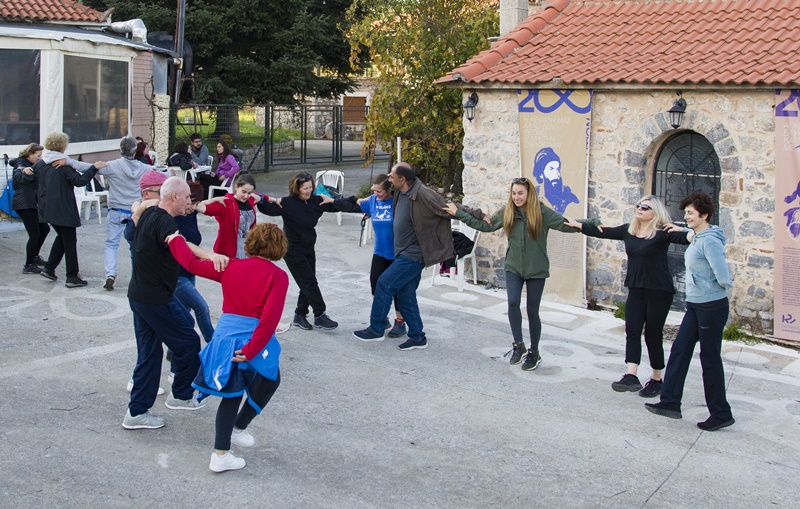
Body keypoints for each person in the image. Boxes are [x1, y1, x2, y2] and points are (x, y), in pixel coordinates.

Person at [167, 222, 289, 472]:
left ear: (251, 242)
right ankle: (225, 447)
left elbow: (191, 265)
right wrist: (252, 349)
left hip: (224, 337)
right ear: (279, 248)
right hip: (251, 339)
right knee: (269, 379)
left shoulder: (231, 265)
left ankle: (230, 439)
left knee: (232, 394)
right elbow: (270, 318)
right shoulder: (278, 276)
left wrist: (174, 240)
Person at [445, 177, 587, 369]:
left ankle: (534, 352)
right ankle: (518, 345)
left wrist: (591, 225)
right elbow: (484, 226)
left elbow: (566, 225)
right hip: (514, 267)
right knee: (512, 302)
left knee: (532, 311)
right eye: (513, 193)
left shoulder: (542, 213)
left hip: (536, 269)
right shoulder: (508, 212)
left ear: (529, 194)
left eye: (520, 193)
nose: (516, 197)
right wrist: (459, 213)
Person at [122, 177, 227, 430]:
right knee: (189, 341)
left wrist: (209, 255)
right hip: (155, 299)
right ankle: (180, 395)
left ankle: (136, 413)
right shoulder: (165, 222)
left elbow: (182, 241)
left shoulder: (153, 215)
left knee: (150, 352)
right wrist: (203, 265)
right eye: (187, 198)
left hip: (140, 296)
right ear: (174, 197)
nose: (189, 203)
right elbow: (177, 244)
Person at [565, 196, 692, 397]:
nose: (640, 209)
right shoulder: (629, 230)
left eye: (645, 207)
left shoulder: (663, 232)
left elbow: (689, 239)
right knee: (632, 330)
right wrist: (579, 225)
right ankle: (631, 376)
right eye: (638, 206)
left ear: (655, 212)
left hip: (659, 291)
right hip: (636, 288)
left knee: (652, 333)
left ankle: (657, 379)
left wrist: (687, 231)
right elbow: (604, 232)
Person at [645, 192, 735, 432]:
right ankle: (670, 402)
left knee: (709, 359)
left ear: (704, 215)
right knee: (680, 349)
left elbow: (723, 276)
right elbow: (690, 234)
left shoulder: (710, 241)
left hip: (711, 306)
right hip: (696, 305)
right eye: (685, 213)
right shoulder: (698, 236)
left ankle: (721, 413)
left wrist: (708, 286)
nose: (687, 217)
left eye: (691, 214)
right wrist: (682, 229)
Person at [353, 162, 453, 350]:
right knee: (406, 295)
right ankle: (417, 336)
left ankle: (376, 328)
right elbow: (379, 193)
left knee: (384, 283)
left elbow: (448, 207)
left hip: (414, 254)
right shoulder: (401, 192)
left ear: (402, 179)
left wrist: (479, 216)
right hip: (403, 252)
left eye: (392, 177)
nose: (389, 180)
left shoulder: (422, 193)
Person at [257, 171, 361, 331]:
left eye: (310, 188)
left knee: (307, 281)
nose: (308, 191)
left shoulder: (316, 201)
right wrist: (260, 198)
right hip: (292, 249)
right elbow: (266, 208)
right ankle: (320, 315)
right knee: (309, 282)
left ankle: (300, 314)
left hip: (308, 246)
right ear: (296, 188)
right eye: (305, 188)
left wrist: (360, 204)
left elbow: (338, 204)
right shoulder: (287, 203)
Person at [35, 132, 106, 287]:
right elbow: (80, 181)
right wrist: (93, 168)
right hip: (63, 208)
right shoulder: (62, 165)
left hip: (46, 208)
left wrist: (22, 169)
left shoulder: (40, 164)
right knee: (69, 241)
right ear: (63, 145)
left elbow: (32, 176)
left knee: (62, 238)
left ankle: (49, 268)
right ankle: (72, 276)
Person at [97, 136, 154, 291]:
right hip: (134, 210)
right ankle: (137, 276)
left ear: (120, 150)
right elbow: (159, 172)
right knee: (135, 245)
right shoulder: (144, 167)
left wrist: (67, 161)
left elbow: (84, 167)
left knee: (111, 244)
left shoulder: (112, 166)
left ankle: (110, 274)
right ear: (135, 151)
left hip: (116, 209)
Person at [357, 174, 406, 338]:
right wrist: (332, 202)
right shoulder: (372, 200)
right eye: (374, 190)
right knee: (375, 283)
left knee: (397, 288)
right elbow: (357, 203)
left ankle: (400, 321)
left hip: (397, 253)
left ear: (389, 190)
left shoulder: (397, 202)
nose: (376, 194)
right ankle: (381, 317)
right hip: (380, 251)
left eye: (379, 191)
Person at [197, 173, 276, 259]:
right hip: (229, 250)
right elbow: (199, 206)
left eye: (249, 193)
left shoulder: (251, 199)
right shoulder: (226, 203)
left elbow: (262, 197)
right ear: (236, 187)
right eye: (243, 192)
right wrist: (214, 199)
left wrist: (276, 200)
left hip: (248, 247)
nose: (246, 196)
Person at [10, 143, 48, 274]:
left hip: (32, 202)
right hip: (24, 203)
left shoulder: (32, 164)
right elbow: (19, 174)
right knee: (35, 233)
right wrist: (25, 172)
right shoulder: (21, 163)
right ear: (30, 154)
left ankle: (34, 257)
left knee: (44, 228)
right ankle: (28, 265)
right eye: (38, 156)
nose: (39, 158)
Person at [532, 147, 579, 214]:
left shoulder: (569, 198)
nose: (557, 175)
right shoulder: (532, 197)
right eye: (551, 169)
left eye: (558, 170)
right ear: (540, 174)